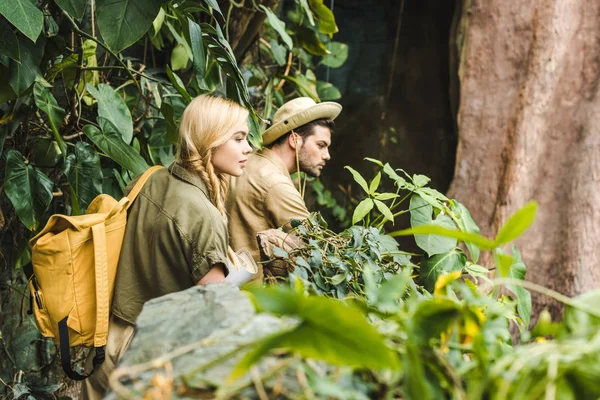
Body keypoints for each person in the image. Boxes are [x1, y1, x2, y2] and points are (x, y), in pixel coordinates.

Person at [83, 94, 253, 399]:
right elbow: (215, 313)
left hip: (104, 343)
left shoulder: (151, 178)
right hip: (148, 359)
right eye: (238, 138)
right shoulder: (204, 216)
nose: (248, 148)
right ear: (210, 140)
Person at [227, 97, 342, 280]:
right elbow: (320, 253)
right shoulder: (276, 184)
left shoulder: (246, 161)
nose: (327, 155)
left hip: (226, 284)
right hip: (255, 297)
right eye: (320, 145)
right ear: (294, 140)